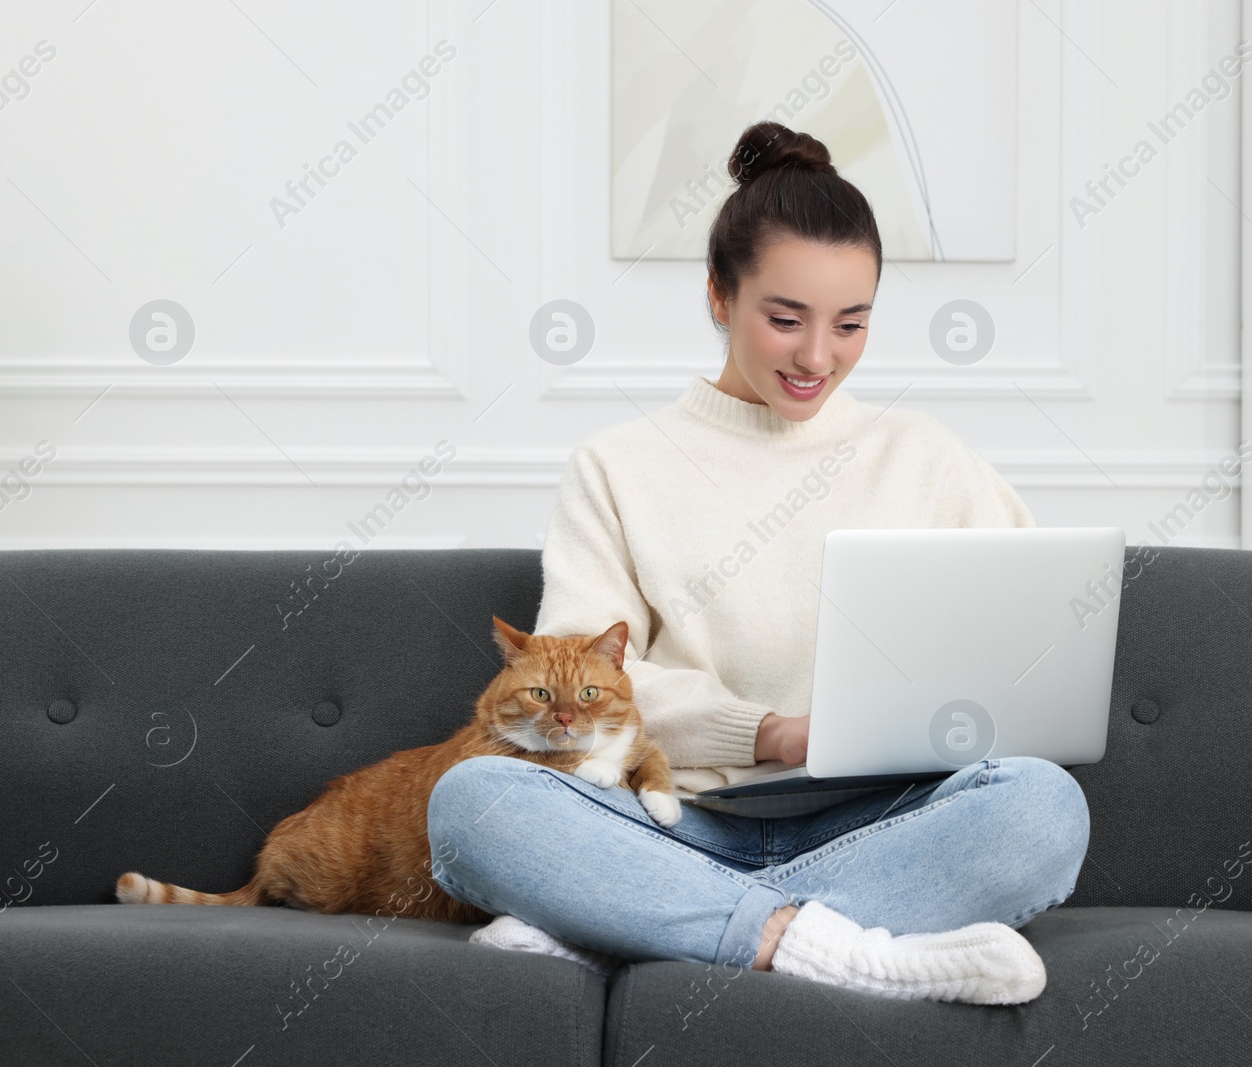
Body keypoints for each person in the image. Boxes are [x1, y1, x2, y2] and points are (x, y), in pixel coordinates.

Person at [428, 121, 1090, 1005]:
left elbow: (1031, 637)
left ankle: (646, 928)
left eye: (851, 324)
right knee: (474, 804)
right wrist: (768, 732)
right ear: (716, 297)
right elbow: (582, 678)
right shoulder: (619, 464)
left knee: (1044, 807)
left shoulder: (927, 458)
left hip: (877, 820)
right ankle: (838, 948)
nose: (819, 357)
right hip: (669, 821)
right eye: (785, 319)